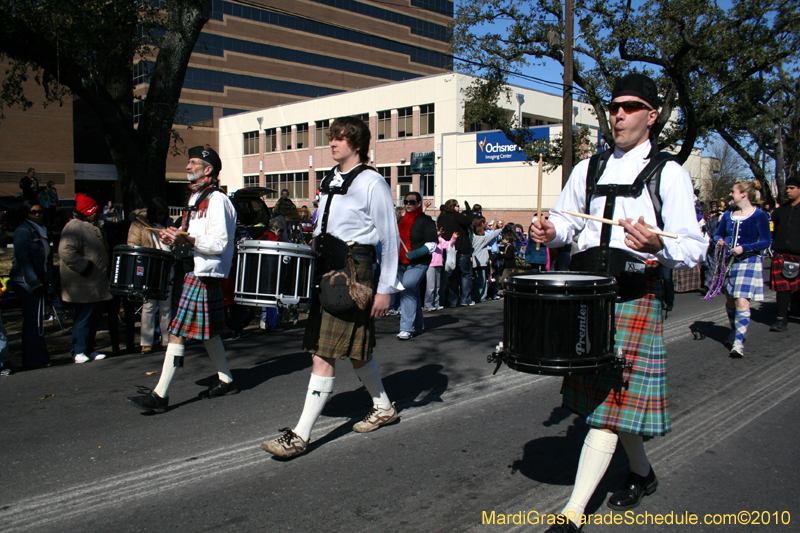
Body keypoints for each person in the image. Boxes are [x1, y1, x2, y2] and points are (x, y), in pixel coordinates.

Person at [531, 73, 706, 532]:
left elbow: (693, 247)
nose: (618, 114)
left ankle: (571, 517)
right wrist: (551, 232)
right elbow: (567, 224)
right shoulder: (586, 169)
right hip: (588, 299)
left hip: (634, 297)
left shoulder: (669, 173)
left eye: (629, 107)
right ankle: (643, 474)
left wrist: (656, 247)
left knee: (607, 409)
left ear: (651, 116)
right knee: (614, 402)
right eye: (613, 107)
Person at [261, 116, 402, 459]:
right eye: (332, 138)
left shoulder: (372, 183)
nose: (332, 143)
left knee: (323, 353)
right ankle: (383, 407)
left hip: (354, 274)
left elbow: (389, 238)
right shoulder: (330, 181)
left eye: (339, 139)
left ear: (356, 144)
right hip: (329, 270)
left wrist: (385, 289)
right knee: (355, 351)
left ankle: (300, 435)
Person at [127, 145, 238, 412]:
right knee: (209, 333)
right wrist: (175, 238)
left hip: (203, 273)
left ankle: (160, 395)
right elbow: (192, 240)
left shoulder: (218, 200)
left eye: (193, 163)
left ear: (208, 170)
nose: (187, 167)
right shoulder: (195, 199)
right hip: (192, 269)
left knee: (176, 331)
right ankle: (226, 379)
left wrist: (186, 238)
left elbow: (220, 244)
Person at [714, 179, 771, 357]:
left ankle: (738, 343)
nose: (730, 194)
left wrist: (744, 248)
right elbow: (717, 234)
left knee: (742, 300)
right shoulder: (728, 214)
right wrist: (720, 241)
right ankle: (734, 331)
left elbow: (766, 241)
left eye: (733, 191)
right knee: (731, 301)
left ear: (743, 194)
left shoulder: (759, 215)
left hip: (749, 261)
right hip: (730, 261)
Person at [58, 193, 112, 363]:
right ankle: (78, 349)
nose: (98, 213)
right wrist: (86, 267)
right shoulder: (74, 226)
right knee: (84, 318)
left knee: (94, 318)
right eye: (95, 210)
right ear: (88, 211)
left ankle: (90, 348)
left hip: (96, 283)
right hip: (83, 283)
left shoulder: (92, 226)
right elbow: (66, 251)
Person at [9, 203, 53, 369]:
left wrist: (47, 278)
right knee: (32, 321)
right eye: (33, 212)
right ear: (26, 213)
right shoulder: (23, 231)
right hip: (26, 281)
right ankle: (33, 359)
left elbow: (46, 258)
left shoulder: (40, 230)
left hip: (39, 279)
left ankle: (38, 356)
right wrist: (34, 282)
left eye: (40, 212)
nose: (37, 215)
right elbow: (23, 259)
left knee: (37, 320)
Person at [127, 198, 173, 354]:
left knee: (166, 306)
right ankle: (146, 341)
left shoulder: (168, 224)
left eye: (163, 214)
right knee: (149, 306)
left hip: (166, 267)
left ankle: (166, 339)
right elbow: (132, 245)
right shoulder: (139, 225)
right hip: (150, 268)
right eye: (158, 213)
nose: (160, 217)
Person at [396, 191, 437, 340]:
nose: (408, 204)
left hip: (419, 263)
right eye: (406, 201)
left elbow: (432, 244)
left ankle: (406, 328)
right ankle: (418, 326)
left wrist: (415, 254)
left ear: (419, 204)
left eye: (411, 202)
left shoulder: (426, 221)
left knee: (407, 289)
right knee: (413, 293)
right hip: (401, 263)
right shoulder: (401, 221)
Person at [769, 177, 800, 332]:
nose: (788, 190)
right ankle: (781, 320)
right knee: (783, 290)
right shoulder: (780, 211)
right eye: (787, 188)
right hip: (782, 254)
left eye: (792, 188)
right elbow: (774, 232)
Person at [437, 199, 475, 306]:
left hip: (448, 250)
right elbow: (468, 220)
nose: (459, 208)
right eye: (457, 206)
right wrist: (468, 209)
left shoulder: (442, 218)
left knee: (453, 276)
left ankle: (452, 301)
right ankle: (465, 299)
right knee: (466, 274)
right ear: (454, 207)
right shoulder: (456, 216)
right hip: (461, 248)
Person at [424, 226, 457, 311]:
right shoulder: (429, 239)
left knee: (437, 286)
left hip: (439, 264)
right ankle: (428, 304)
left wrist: (453, 238)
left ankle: (436, 303)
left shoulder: (440, 239)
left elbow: (449, 244)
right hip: (431, 264)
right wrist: (437, 234)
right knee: (430, 286)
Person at [471, 217, 503, 302]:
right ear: (480, 232)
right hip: (480, 263)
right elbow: (492, 235)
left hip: (477, 262)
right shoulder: (481, 239)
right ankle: (478, 297)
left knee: (481, 281)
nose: (484, 232)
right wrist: (500, 229)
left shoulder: (473, 239)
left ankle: (481, 296)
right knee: (480, 282)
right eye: (483, 231)